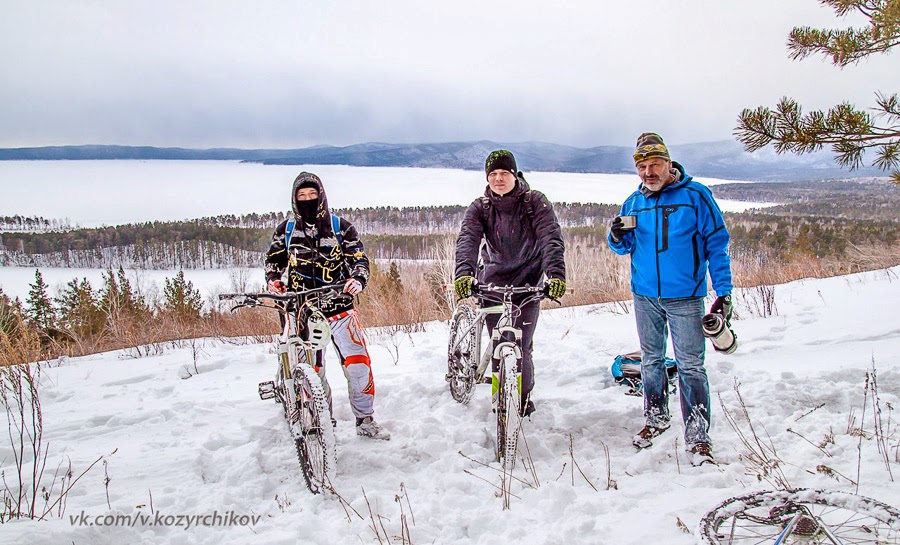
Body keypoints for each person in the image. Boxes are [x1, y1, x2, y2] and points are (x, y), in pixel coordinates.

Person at [607, 133, 733, 465]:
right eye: (643, 166)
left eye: (655, 164)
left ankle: (698, 434)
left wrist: (724, 293)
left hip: (685, 296)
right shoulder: (634, 202)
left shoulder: (696, 196)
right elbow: (624, 247)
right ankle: (656, 418)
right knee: (651, 360)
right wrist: (616, 235)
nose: (649, 172)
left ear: (668, 163)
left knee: (691, 366)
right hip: (645, 294)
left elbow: (717, 244)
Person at [265, 172, 390, 440]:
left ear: (321, 195)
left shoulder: (340, 227)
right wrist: (274, 281)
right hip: (302, 311)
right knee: (313, 370)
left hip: (340, 308)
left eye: (312, 195)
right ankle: (320, 419)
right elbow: (273, 263)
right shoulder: (286, 231)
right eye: (302, 196)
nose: (308, 200)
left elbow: (359, 259)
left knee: (358, 366)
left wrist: (358, 279)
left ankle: (365, 418)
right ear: (294, 199)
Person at [454, 150, 567, 417]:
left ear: (515, 175)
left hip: (528, 284)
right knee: (500, 344)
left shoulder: (534, 202)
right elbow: (467, 240)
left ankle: (523, 402)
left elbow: (551, 238)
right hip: (493, 283)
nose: (498, 178)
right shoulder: (481, 207)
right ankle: (500, 399)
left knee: (522, 347)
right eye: (493, 174)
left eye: (504, 173)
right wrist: (464, 273)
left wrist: (555, 275)